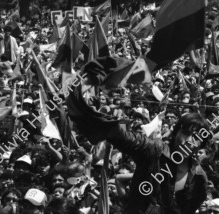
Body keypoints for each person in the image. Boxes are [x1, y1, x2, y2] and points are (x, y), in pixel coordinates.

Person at [67, 72, 210, 214]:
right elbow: (124, 138)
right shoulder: (154, 149)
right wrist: (102, 121)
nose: (189, 141)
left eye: (196, 137)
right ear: (176, 133)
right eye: (186, 133)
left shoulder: (199, 177)